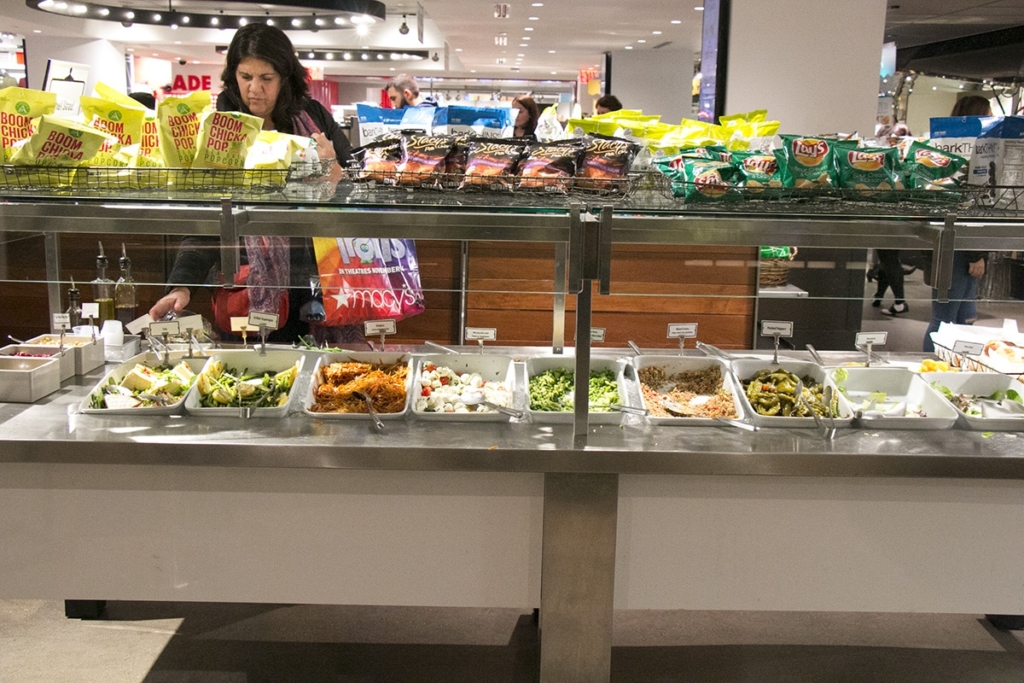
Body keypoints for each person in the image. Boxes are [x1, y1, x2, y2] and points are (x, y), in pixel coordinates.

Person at [149, 23, 360, 345]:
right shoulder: (222, 129)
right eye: (246, 77)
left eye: (266, 79)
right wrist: (182, 285)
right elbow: (210, 216)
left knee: (319, 377)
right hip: (246, 284)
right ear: (233, 75)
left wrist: (337, 173)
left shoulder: (313, 115)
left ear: (285, 78)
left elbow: (362, 186)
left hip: (316, 276)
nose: (254, 89)